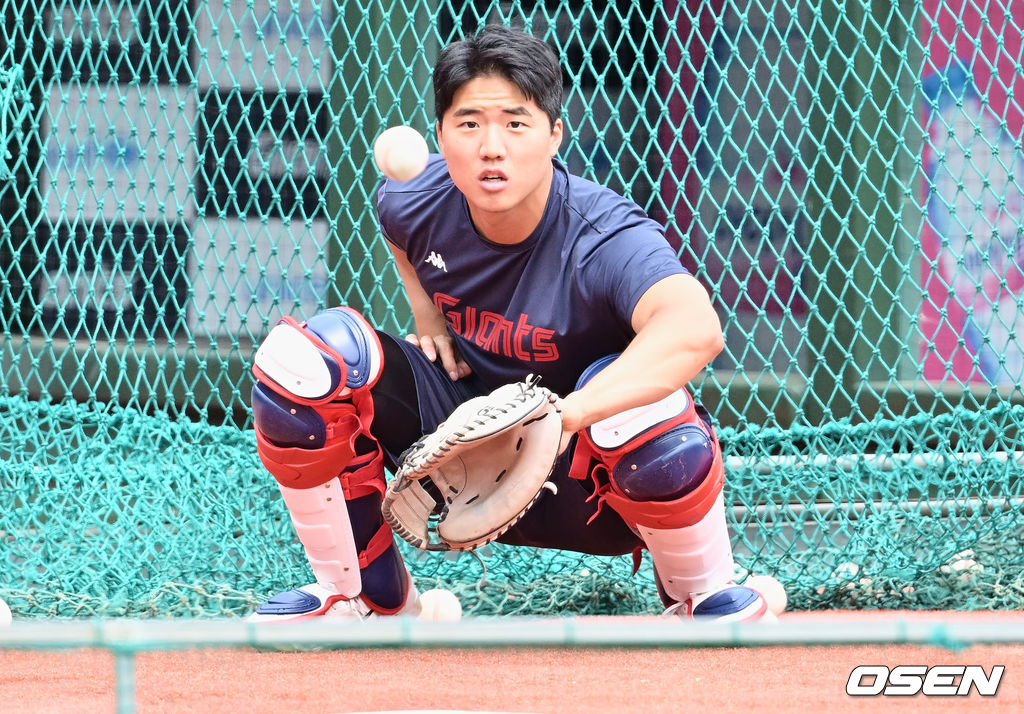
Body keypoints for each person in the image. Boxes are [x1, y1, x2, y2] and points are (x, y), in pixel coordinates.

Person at [247, 24, 768, 622]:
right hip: (458, 452)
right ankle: (366, 598)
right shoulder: (414, 198)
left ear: (554, 136)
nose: (491, 146)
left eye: (516, 123)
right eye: (469, 124)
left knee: (646, 406)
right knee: (306, 363)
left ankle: (700, 595)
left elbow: (695, 330)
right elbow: (396, 227)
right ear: (441, 136)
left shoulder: (602, 234)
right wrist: (426, 313)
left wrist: (564, 417)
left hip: (586, 479)